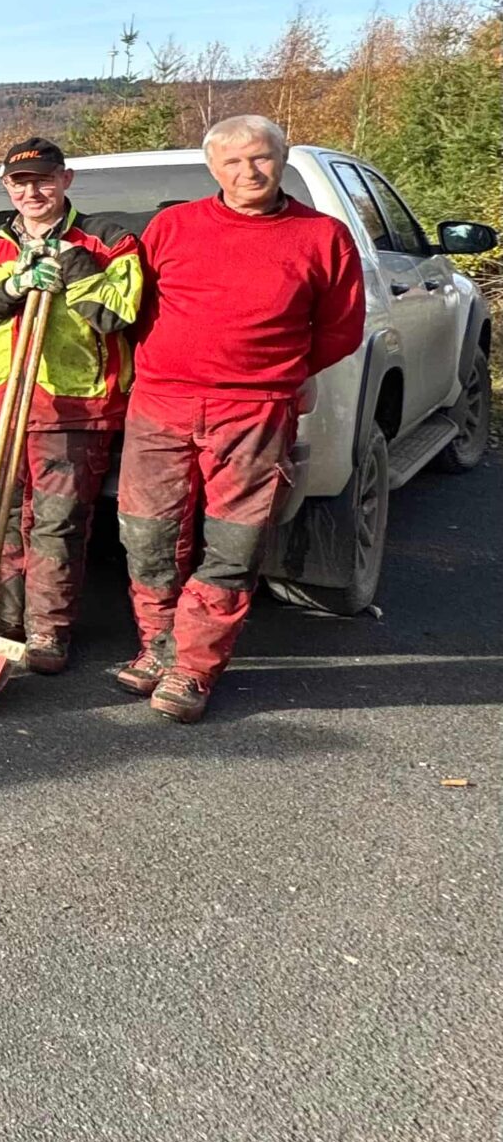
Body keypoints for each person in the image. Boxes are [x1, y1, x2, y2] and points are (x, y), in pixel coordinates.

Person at [113, 115, 363, 722]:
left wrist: (280, 372)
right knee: (145, 534)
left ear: (282, 160)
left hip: (254, 410)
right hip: (161, 402)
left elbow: (341, 328)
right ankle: (159, 645)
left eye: (261, 159)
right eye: (233, 162)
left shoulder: (323, 236)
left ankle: (194, 669)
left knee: (234, 544)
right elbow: (131, 303)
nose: (248, 172)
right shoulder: (173, 226)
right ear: (212, 169)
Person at [0, 138, 144, 675]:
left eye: (44, 180)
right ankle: (4, 621)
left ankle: (47, 630)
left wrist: (74, 268)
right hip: (1, 400)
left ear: (66, 179)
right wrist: (12, 286)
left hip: (73, 407)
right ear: (8, 187)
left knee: (56, 522)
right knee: (2, 517)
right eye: (20, 182)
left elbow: (119, 314)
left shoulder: (108, 240)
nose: (32, 191)